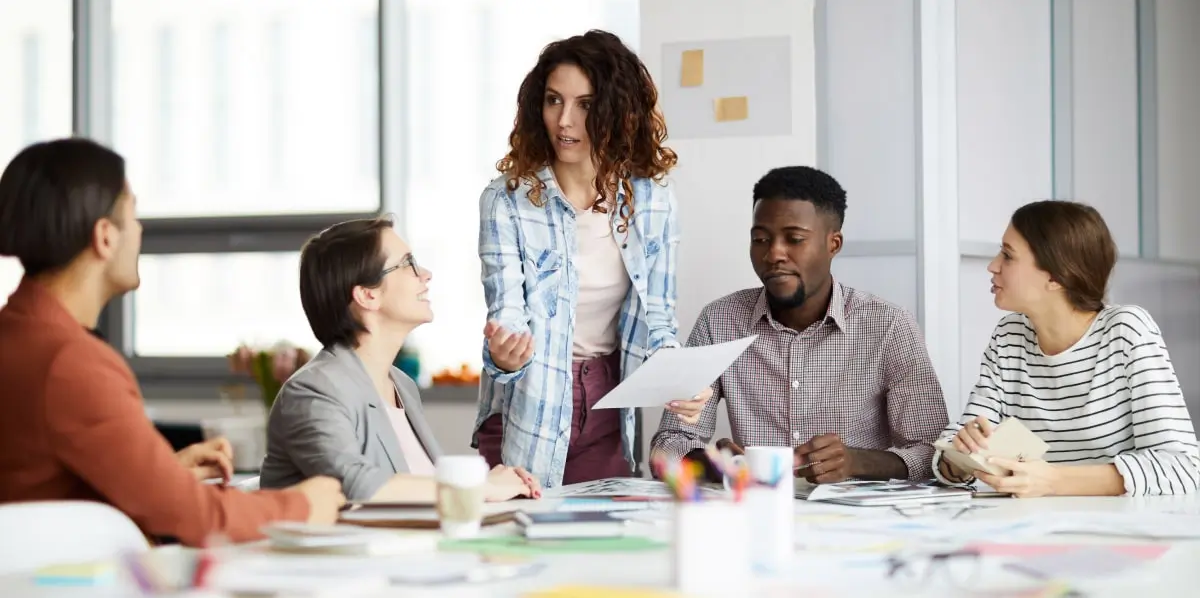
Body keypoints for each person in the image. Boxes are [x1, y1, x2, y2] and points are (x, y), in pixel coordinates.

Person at [0, 138, 345, 547]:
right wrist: (303, 506)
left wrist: (162, 475)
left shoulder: (20, 334)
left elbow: (40, 487)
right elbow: (197, 519)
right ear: (105, 237)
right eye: (134, 214)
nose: (141, 230)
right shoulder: (71, 363)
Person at [474, 29, 711, 487]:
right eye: (553, 100)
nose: (564, 121)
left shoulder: (652, 198)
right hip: (529, 401)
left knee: (600, 546)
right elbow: (506, 314)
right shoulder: (506, 201)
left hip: (607, 400)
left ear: (616, 111)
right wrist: (504, 356)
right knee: (520, 545)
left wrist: (678, 379)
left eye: (584, 105)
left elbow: (658, 318)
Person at [651, 166, 950, 483]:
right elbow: (669, 444)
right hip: (757, 515)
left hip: (856, 522)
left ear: (833, 244)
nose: (773, 253)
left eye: (794, 239)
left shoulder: (887, 326)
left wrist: (857, 462)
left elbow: (936, 455)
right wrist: (721, 467)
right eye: (760, 239)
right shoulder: (719, 321)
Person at [262, 217, 541, 502]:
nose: (426, 273)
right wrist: (481, 489)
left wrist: (484, 481)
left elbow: (422, 486)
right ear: (367, 295)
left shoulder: (401, 385)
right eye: (408, 264)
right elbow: (356, 487)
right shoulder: (312, 392)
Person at [936, 201, 1200, 497]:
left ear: (1056, 276)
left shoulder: (1126, 330)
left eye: (1008, 256)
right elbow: (955, 447)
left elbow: (1183, 468)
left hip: (1116, 530)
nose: (993, 265)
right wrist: (960, 456)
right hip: (1027, 526)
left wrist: (1053, 481)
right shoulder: (1009, 336)